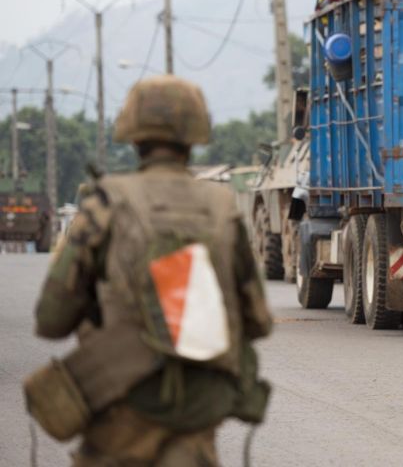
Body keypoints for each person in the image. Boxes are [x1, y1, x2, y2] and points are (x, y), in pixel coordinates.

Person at [28, 75, 273, 465]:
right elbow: (258, 321)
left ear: (133, 134)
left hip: (120, 406)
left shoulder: (104, 203)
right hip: (198, 412)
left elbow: (51, 319)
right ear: (194, 136)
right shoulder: (222, 206)